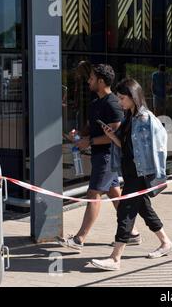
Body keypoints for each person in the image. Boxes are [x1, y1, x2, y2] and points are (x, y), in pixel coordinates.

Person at [91, 78, 172, 271]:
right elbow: (127, 147)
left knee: (125, 213)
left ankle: (115, 257)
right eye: (118, 98)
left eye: (122, 98)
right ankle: (166, 242)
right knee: (144, 208)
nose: (120, 102)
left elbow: (158, 146)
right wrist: (112, 136)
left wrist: (158, 173)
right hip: (130, 172)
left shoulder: (145, 119)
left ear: (133, 97)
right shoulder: (130, 116)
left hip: (139, 174)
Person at [58, 64, 141, 251]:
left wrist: (90, 141)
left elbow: (115, 134)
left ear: (101, 81)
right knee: (114, 193)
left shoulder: (113, 103)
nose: (89, 81)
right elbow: (91, 126)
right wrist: (79, 134)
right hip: (99, 155)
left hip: (107, 157)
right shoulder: (97, 102)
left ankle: (80, 238)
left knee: (93, 194)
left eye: (92, 78)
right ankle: (132, 232)